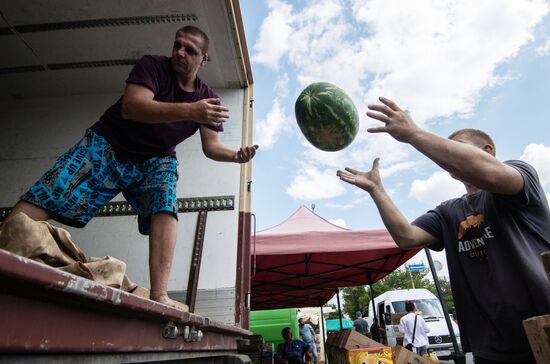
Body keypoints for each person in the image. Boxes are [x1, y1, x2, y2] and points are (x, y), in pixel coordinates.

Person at [4, 25, 258, 307]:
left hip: (155, 158)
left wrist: (235, 155)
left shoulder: (207, 97)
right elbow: (133, 107)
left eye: (190, 50)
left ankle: (161, 294)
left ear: (204, 59)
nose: (180, 53)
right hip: (110, 142)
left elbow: (211, 146)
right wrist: (191, 110)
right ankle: (5, 242)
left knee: (165, 201)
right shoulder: (153, 65)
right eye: (177, 45)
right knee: (56, 187)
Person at [337, 96, 550, 363]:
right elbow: (405, 236)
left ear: (487, 151)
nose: (447, 155)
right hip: (492, 347)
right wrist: (377, 190)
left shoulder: (521, 177)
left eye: (456, 148)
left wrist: (414, 134)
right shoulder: (448, 212)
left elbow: (491, 175)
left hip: (543, 330)